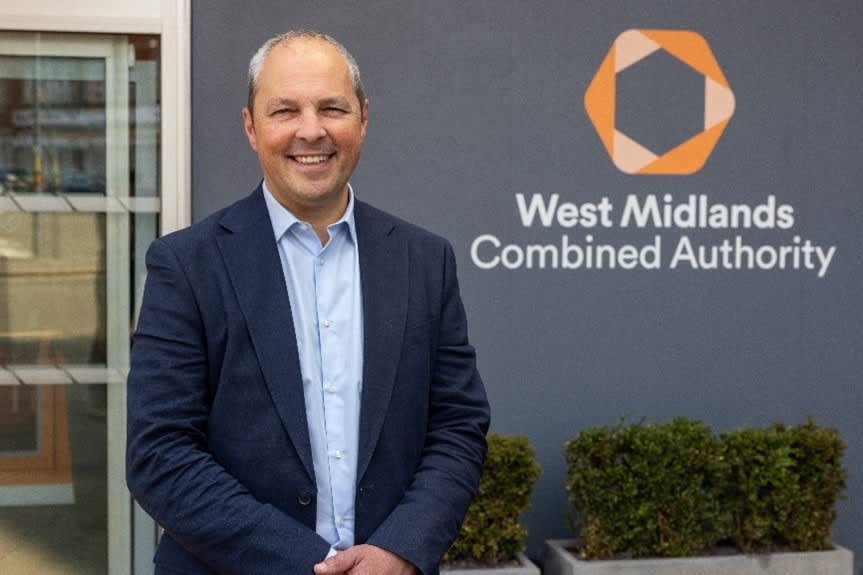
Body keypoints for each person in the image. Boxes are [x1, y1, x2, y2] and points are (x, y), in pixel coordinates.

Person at [125, 30, 490, 575]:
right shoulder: (186, 265)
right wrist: (313, 565)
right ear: (251, 126)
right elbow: (161, 454)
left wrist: (401, 550)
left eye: (332, 108)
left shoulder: (424, 260)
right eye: (285, 110)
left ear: (363, 118)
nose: (311, 130)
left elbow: (457, 426)